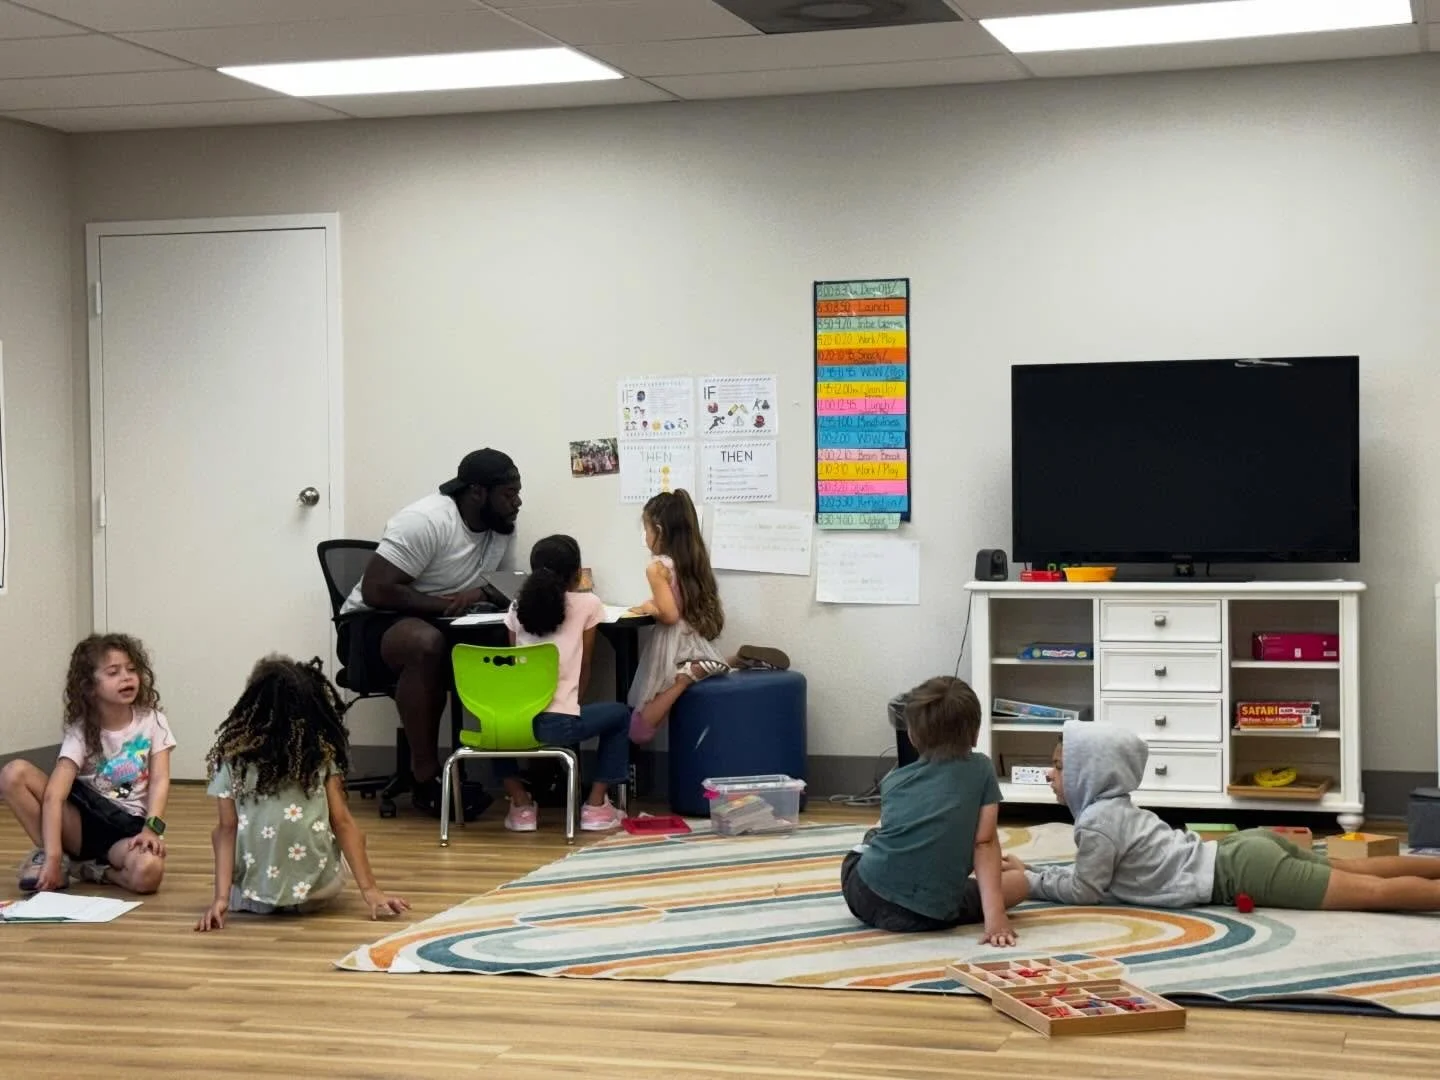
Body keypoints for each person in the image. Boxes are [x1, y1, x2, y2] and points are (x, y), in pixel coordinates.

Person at [1011, 721, 1440, 913]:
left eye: (1061, 766)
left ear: (1090, 773)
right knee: (1358, 870)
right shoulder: (1117, 809)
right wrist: (1031, 869)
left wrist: (1029, 882)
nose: (1051, 774)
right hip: (1243, 851)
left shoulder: (1095, 825)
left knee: (1370, 894)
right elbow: (1090, 875)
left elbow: (1085, 890)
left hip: (1242, 872)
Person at [339, 448, 522, 817]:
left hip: (444, 622)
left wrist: (481, 594)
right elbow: (377, 590)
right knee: (425, 643)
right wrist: (444, 605)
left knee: (512, 639)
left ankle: (522, 774)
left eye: (518, 492)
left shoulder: (499, 525)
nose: (517, 502)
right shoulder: (425, 521)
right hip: (372, 625)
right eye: (508, 493)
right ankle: (425, 777)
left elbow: (494, 585)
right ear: (476, 492)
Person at [196, 656, 409, 931]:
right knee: (338, 830)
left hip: (253, 895)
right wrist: (370, 890)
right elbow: (342, 823)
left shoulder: (233, 762)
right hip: (317, 892)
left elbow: (226, 830)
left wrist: (221, 898)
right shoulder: (319, 757)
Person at [840, 676, 1025, 942]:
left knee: (872, 840)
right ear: (975, 734)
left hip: (865, 896)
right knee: (1020, 883)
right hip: (931, 914)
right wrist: (995, 918)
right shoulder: (982, 769)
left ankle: (871, 847)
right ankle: (1012, 870)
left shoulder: (892, 782)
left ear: (913, 737)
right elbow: (984, 843)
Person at [0, 634, 171, 894]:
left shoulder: (153, 721)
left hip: (127, 828)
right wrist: (54, 856)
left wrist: (151, 829)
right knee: (14, 773)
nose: (126, 677)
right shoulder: (80, 731)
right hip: (82, 821)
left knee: (148, 874)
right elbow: (54, 796)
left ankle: (92, 871)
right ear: (90, 687)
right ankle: (53, 856)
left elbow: (160, 780)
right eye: (113, 672)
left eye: (132, 670)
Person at [496, 534, 630, 833]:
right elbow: (585, 666)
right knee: (621, 715)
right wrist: (572, 705)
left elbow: (515, 663)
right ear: (576, 574)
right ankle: (596, 806)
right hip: (561, 723)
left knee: (492, 724)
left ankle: (520, 805)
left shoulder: (516, 608)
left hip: (514, 724)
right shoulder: (589, 604)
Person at [625, 489, 729, 744]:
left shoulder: (657, 567)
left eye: (646, 529)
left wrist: (650, 608)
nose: (646, 537)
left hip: (672, 643)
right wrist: (655, 603)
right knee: (650, 712)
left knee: (637, 731)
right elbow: (678, 604)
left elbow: (670, 615)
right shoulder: (692, 561)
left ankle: (687, 677)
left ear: (659, 530)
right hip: (693, 639)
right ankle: (724, 661)